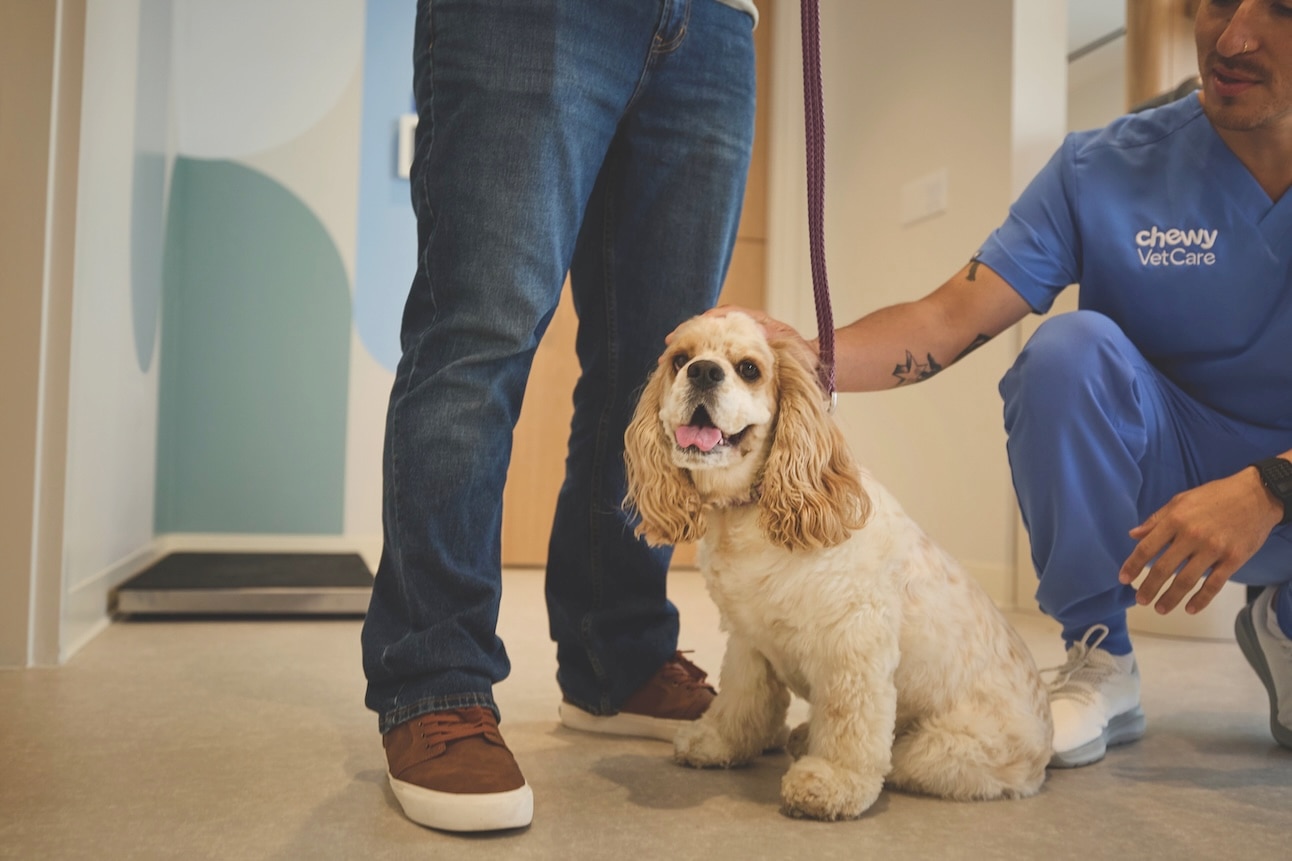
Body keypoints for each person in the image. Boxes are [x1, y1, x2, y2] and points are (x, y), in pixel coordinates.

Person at [723, 0, 1292, 769]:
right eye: (1220, 1)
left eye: (1283, 10)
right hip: (1166, 475)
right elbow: (947, 318)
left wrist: (1265, 488)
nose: (1234, 39)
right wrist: (794, 356)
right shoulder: (1103, 167)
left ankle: (1281, 619)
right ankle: (1102, 652)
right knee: (1066, 353)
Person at [361, 0, 759, 833]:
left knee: (659, 374)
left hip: (717, 23)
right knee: (481, 331)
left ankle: (618, 656)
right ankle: (436, 680)